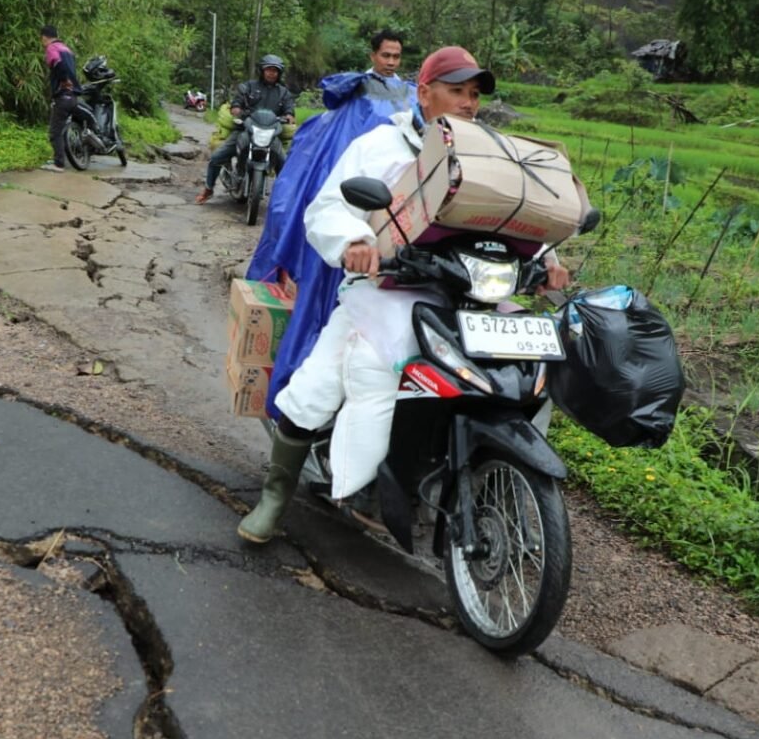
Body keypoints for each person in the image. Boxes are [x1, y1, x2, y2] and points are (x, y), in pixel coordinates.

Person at [237, 45, 572, 544]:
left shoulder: (486, 150)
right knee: (317, 387)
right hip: (384, 292)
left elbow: (512, 214)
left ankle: (487, 475)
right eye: (456, 91)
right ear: (424, 92)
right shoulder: (382, 145)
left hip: (465, 298)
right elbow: (327, 207)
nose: (467, 103)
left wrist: (547, 259)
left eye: (474, 94)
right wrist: (354, 241)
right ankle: (275, 496)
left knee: (526, 369)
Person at [245, 30, 414, 424]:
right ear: (372, 55)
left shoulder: (415, 112)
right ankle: (289, 453)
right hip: (353, 223)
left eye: (397, 55)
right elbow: (328, 195)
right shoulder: (356, 106)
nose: (391, 61)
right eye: (385, 54)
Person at [196, 55, 297, 203]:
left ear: (279, 73)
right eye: (268, 69)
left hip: (270, 135)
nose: (271, 73)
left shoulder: (283, 93)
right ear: (262, 71)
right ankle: (208, 189)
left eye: (275, 70)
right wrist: (237, 109)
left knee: (285, 162)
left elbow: (290, 111)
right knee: (217, 157)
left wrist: (288, 116)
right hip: (246, 130)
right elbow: (236, 103)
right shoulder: (249, 86)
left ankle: (286, 199)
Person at [39, 25, 80, 173]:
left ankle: (58, 164)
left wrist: (63, 81)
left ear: (44, 37)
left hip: (63, 95)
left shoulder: (51, 48)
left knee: (54, 131)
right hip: (73, 96)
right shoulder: (67, 49)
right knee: (62, 128)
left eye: (41, 38)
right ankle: (62, 157)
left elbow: (58, 64)